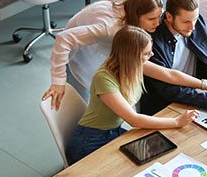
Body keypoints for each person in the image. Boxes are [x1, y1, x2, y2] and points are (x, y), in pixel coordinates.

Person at [42, 0, 207, 109]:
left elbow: (167, 74)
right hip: (81, 45)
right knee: (84, 100)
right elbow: (64, 39)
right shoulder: (110, 27)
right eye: (151, 19)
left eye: (159, 17)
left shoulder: (141, 12)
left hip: (115, 40)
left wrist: (206, 87)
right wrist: (57, 81)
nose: (158, 24)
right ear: (137, 16)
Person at [64, 25, 199, 165]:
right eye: (147, 53)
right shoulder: (104, 78)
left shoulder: (133, 64)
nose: (151, 55)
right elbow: (134, 120)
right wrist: (177, 122)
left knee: (157, 153)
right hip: (89, 141)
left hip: (113, 132)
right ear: (131, 55)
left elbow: (170, 75)